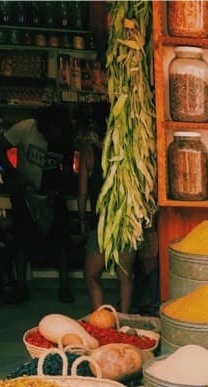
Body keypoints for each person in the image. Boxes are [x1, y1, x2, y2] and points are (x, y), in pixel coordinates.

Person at [0, 105, 75, 305]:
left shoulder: (65, 139)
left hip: (52, 195)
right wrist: (14, 174)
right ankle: (21, 286)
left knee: (62, 241)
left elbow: (66, 170)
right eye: (51, 131)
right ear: (44, 126)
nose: (54, 135)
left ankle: (65, 287)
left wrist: (57, 191)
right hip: (25, 192)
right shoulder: (26, 127)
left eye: (58, 132)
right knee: (22, 239)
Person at [78, 110, 135, 314]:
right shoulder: (128, 151)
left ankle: (100, 319)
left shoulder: (89, 154)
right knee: (125, 277)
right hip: (126, 223)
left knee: (91, 275)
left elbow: (83, 192)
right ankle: (124, 318)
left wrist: (82, 217)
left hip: (101, 224)